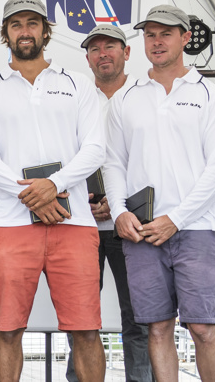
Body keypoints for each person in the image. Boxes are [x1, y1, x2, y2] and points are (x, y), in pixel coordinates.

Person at [0, 0, 106, 382]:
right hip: (12, 225)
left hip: (74, 224)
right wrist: (30, 195)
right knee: (8, 330)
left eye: (32, 23)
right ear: (6, 33)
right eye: (16, 24)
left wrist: (54, 185)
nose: (24, 31)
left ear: (46, 31)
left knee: (86, 330)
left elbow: (95, 148)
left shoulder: (78, 84)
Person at [106, 5, 215, 382]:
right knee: (158, 328)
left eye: (166, 33)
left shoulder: (211, 96)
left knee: (202, 328)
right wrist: (118, 212)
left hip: (197, 230)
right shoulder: (124, 99)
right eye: (150, 34)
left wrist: (175, 219)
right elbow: (113, 163)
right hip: (143, 231)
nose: (157, 41)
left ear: (185, 38)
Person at [66, 24, 152, 382]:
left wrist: (118, 206)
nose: (103, 54)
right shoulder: (76, 98)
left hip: (132, 223)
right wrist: (83, 200)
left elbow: (149, 159)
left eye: (110, 47)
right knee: (80, 320)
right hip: (81, 223)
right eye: (95, 49)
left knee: (139, 318)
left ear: (126, 52)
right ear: (87, 58)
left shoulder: (145, 97)